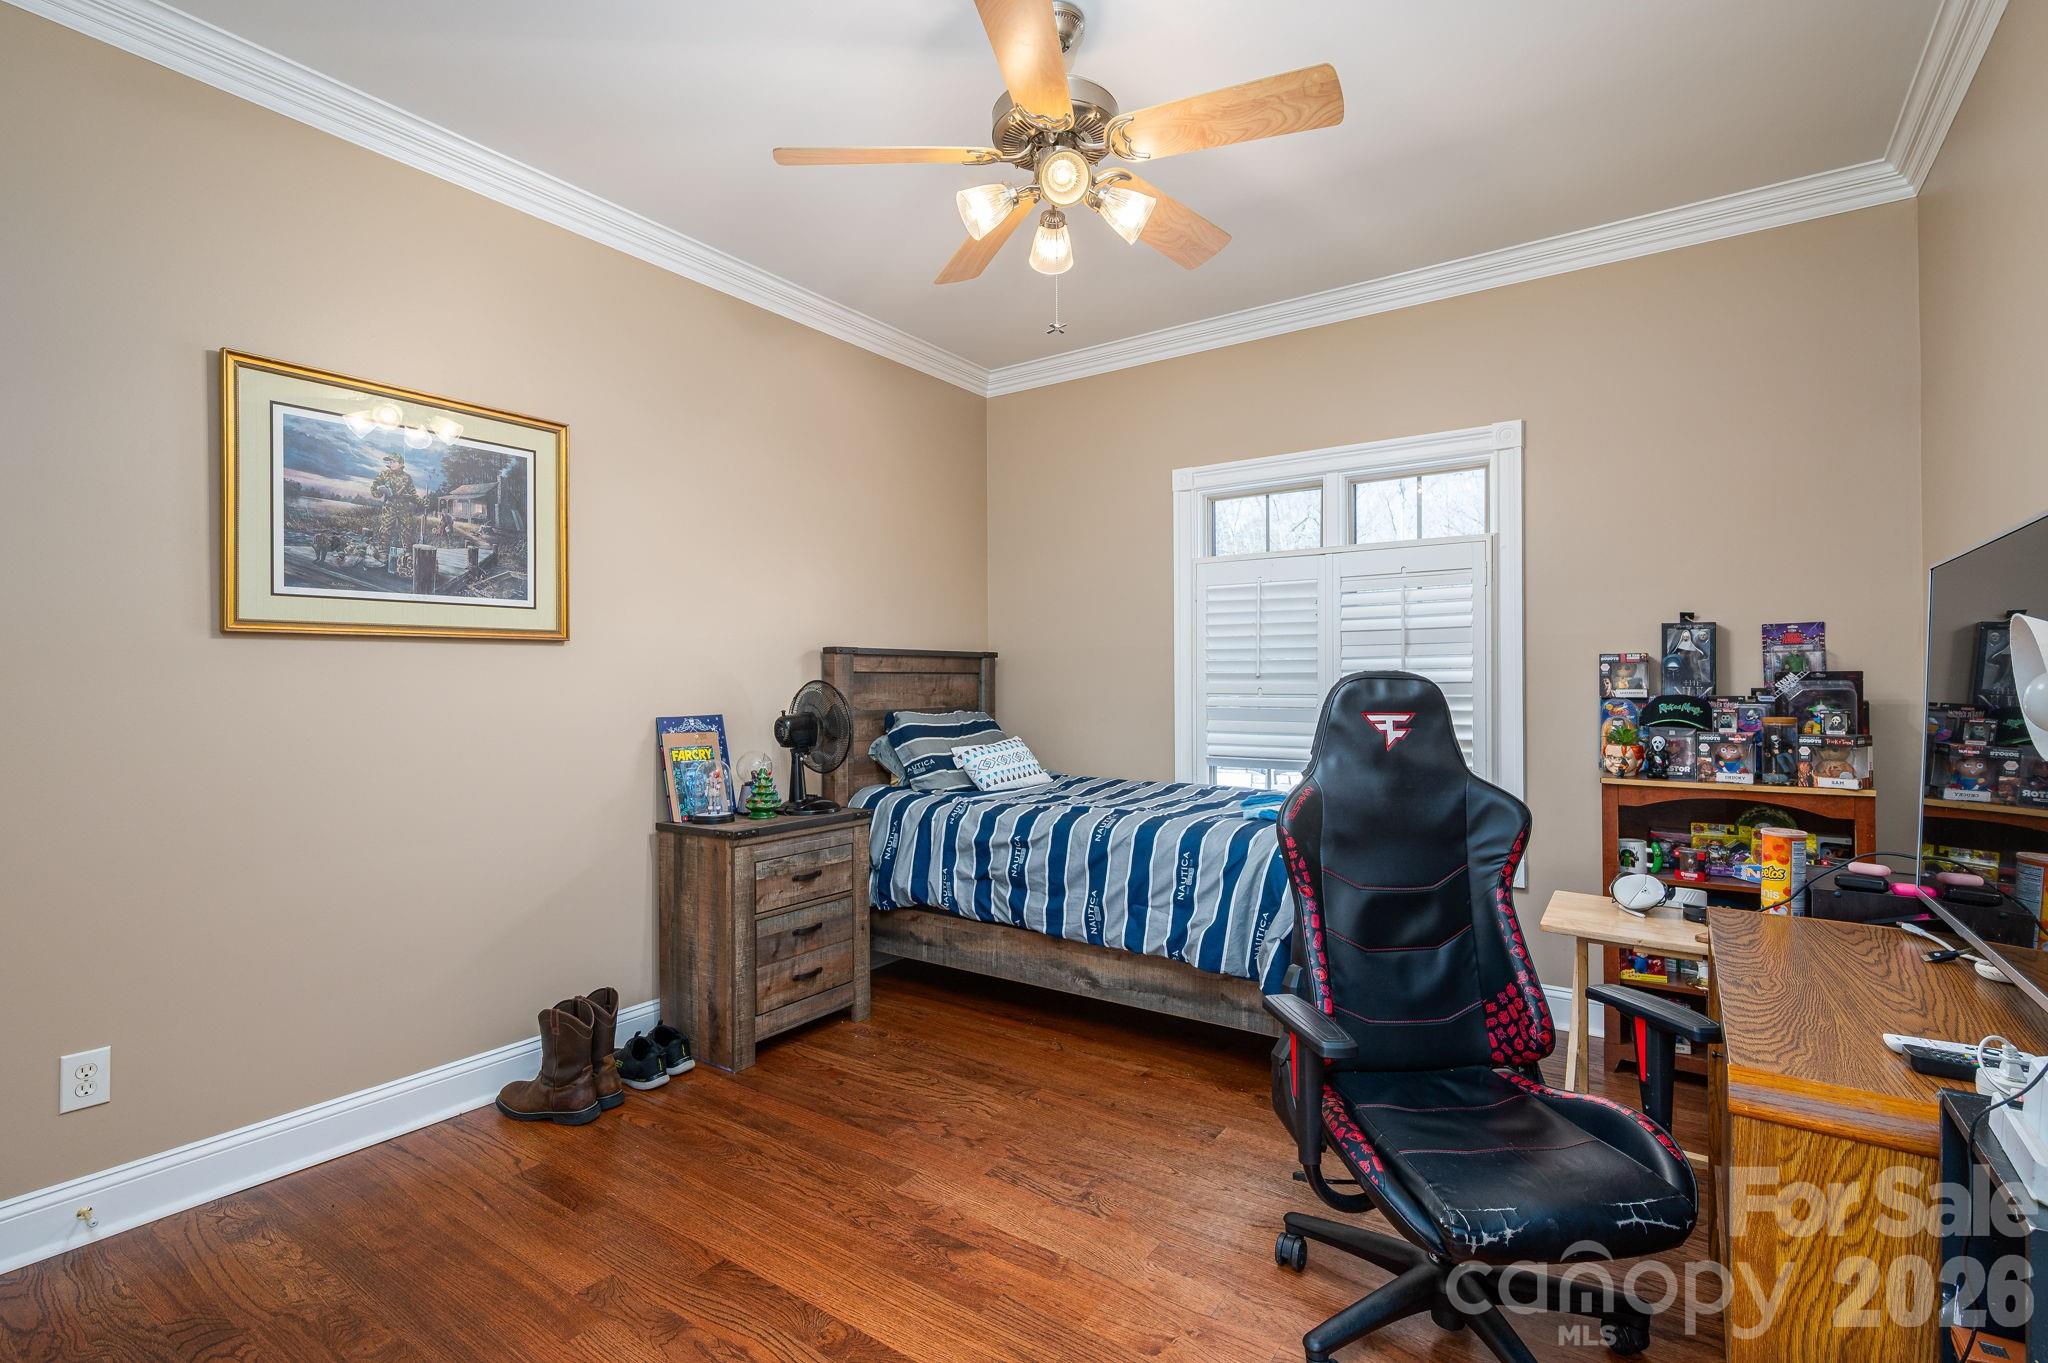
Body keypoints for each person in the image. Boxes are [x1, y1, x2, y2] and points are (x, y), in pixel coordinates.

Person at [371, 451, 421, 573]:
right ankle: (383, 555)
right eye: (390, 461)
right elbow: (373, 489)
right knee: (385, 530)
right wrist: (381, 491)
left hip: (404, 507)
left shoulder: (407, 477)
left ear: (400, 464)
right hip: (389, 506)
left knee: (407, 530)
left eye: (394, 461)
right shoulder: (384, 474)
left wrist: (422, 502)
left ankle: (408, 555)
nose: (391, 463)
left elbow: (414, 494)